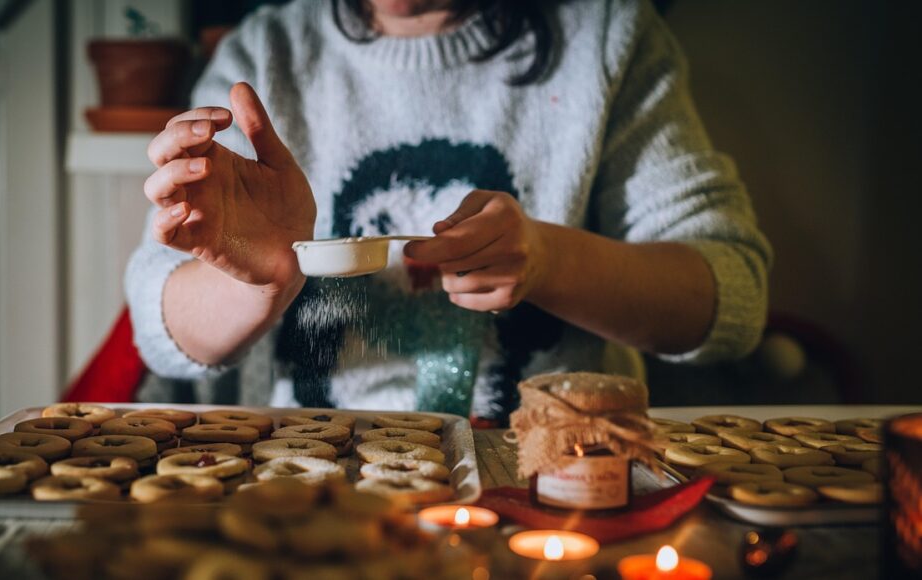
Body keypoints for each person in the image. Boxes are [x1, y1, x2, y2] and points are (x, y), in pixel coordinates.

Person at [125, 0, 772, 422]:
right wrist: (261, 283)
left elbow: (730, 299)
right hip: (316, 493)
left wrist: (549, 260)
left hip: (562, 481)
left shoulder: (607, 37)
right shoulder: (263, 53)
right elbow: (161, 325)